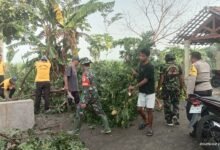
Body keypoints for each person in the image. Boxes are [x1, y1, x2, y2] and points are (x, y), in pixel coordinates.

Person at [71, 57, 111, 135]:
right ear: (89, 64)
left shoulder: (85, 74)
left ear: (82, 65)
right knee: (100, 111)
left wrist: (84, 101)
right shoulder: (93, 72)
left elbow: (86, 88)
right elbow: (95, 85)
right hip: (95, 95)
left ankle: (75, 131)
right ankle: (107, 128)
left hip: (88, 95)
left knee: (79, 111)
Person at [128, 49, 155, 136]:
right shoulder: (140, 65)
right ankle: (146, 121)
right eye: (140, 55)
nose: (140, 57)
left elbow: (145, 80)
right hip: (142, 91)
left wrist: (134, 87)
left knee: (149, 110)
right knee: (139, 109)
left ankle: (150, 128)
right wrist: (134, 73)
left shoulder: (150, 66)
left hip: (149, 92)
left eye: (142, 56)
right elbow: (140, 75)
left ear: (147, 56)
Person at [186, 51, 212, 137]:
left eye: (190, 58)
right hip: (208, 90)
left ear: (193, 57)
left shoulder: (194, 65)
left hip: (199, 92)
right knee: (204, 112)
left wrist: (189, 94)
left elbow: (192, 80)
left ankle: (198, 131)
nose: (190, 60)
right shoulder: (207, 64)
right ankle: (209, 130)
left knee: (191, 113)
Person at [157, 53, 184, 126]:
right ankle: (175, 115)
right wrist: (181, 87)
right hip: (176, 88)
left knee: (167, 104)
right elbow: (181, 78)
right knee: (176, 102)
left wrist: (158, 88)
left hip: (166, 88)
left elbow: (161, 79)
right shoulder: (178, 66)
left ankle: (169, 121)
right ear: (174, 58)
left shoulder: (163, 66)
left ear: (166, 59)